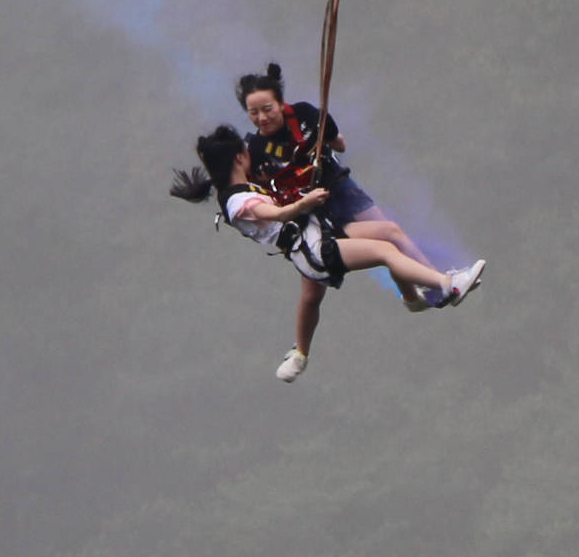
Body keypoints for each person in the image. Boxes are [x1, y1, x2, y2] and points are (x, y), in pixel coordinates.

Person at [170, 123, 481, 380]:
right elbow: (275, 215)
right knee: (385, 252)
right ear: (239, 158)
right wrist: (303, 203)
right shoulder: (236, 201)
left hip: (319, 231)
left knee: (389, 233)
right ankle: (445, 285)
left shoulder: (250, 185)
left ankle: (414, 299)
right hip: (313, 250)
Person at [233, 64, 467, 312]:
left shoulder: (305, 115)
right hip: (315, 210)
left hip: (339, 187)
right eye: (253, 113)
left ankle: (419, 293)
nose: (262, 118)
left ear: (281, 103)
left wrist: (323, 140)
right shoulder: (255, 149)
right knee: (379, 245)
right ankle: (433, 287)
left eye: (267, 109)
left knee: (392, 233)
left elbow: (339, 144)